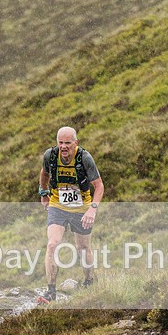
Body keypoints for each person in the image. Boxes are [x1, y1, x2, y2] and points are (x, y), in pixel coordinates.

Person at [37, 127, 104, 303]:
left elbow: (99, 186)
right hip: (57, 206)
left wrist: (92, 209)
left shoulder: (84, 158)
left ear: (76, 143)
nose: (64, 147)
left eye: (68, 143)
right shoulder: (50, 156)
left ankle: (89, 281)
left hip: (82, 208)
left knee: (83, 248)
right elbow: (44, 173)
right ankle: (51, 292)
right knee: (52, 244)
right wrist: (43, 193)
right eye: (61, 143)